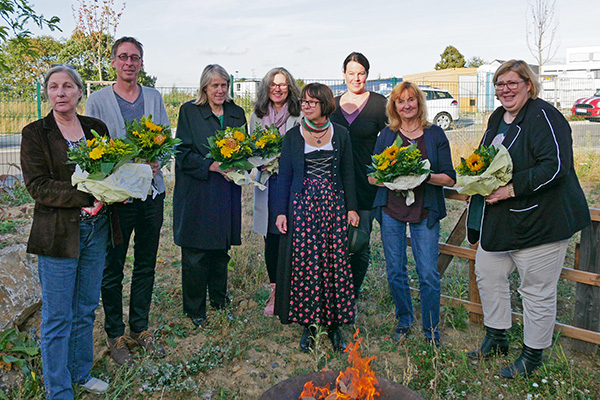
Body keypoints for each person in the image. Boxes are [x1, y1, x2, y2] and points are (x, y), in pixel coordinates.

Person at [465, 60, 590, 378]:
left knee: (537, 290)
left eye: (512, 83)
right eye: (499, 84)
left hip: (542, 221)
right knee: (488, 273)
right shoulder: (497, 118)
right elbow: (486, 158)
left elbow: (556, 165)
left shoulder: (544, 116)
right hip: (503, 221)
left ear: (529, 85)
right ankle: (497, 338)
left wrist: (511, 189)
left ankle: (532, 356)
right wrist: (475, 180)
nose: (504, 90)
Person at [21, 65, 110, 398]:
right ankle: (58, 389)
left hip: (96, 230)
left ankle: (80, 372)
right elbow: (38, 186)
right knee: (58, 315)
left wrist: (111, 192)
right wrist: (86, 196)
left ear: (79, 92)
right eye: (54, 86)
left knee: (85, 308)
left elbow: (110, 169)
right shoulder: (35, 133)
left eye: (68, 86)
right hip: (57, 233)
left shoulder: (96, 128)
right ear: (47, 92)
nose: (61, 92)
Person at [86, 36, 169, 365]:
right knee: (113, 267)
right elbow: (96, 151)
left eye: (135, 57)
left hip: (151, 195)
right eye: (123, 57)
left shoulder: (154, 97)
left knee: (146, 264)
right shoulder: (98, 100)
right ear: (114, 62)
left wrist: (156, 161)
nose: (129, 63)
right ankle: (115, 334)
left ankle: (140, 327)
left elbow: (163, 140)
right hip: (120, 200)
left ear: (142, 63)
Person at [274, 83, 359, 352]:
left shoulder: (341, 134)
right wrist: (280, 212)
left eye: (312, 102)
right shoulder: (292, 136)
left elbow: (348, 174)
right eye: (303, 102)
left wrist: (352, 208)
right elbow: (284, 177)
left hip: (333, 207)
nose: (306, 106)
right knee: (305, 264)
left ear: (325, 104)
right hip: (302, 207)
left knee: (334, 262)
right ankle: (309, 327)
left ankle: (334, 326)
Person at [369, 82, 455, 346]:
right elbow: (373, 178)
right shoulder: (386, 135)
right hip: (391, 210)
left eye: (411, 100)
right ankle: (404, 319)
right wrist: (390, 178)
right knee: (395, 270)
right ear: (393, 106)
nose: (406, 105)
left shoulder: (435, 134)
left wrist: (424, 176)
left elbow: (450, 179)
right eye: (400, 101)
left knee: (428, 272)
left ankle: (431, 330)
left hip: (424, 210)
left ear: (419, 103)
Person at [173, 64, 247, 328]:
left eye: (224, 84)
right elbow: (182, 154)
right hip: (198, 191)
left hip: (226, 191)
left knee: (219, 250)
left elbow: (244, 149)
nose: (220, 90)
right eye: (215, 85)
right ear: (204, 86)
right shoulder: (190, 111)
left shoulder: (237, 113)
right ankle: (195, 308)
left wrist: (240, 166)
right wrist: (211, 166)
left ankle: (219, 299)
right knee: (196, 251)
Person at [330, 52, 387, 299]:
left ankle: (352, 292)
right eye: (351, 73)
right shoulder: (331, 104)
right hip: (334, 183)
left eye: (361, 73)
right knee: (333, 241)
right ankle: (334, 289)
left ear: (367, 75)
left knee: (359, 240)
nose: (356, 78)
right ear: (343, 75)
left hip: (366, 184)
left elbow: (392, 139)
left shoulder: (379, 103)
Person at [250, 67, 302, 316]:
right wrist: (260, 160)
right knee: (271, 238)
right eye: (273, 84)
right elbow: (251, 147)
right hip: (268, 182)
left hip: (292, 183)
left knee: (292, 235)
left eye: (282, 84)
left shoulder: (299, 113)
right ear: (266, 88)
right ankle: (275, 290)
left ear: (290, 87)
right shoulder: (257, 115)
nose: (278, 89)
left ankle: (294, 289)